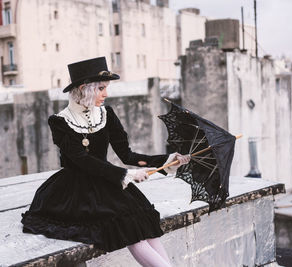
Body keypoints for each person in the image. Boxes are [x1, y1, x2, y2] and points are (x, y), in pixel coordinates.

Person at [21, 57, 190, 266]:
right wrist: (124, 175)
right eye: (101, 88)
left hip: (108, 183)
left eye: (106, 88)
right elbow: (82, 160)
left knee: (147, 228)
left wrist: (167, 160)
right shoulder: (60, 121)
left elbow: (127, 155)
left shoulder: (106, 114)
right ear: (84, 88)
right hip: (76, 192)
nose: (106, 94)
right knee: (132, 233)